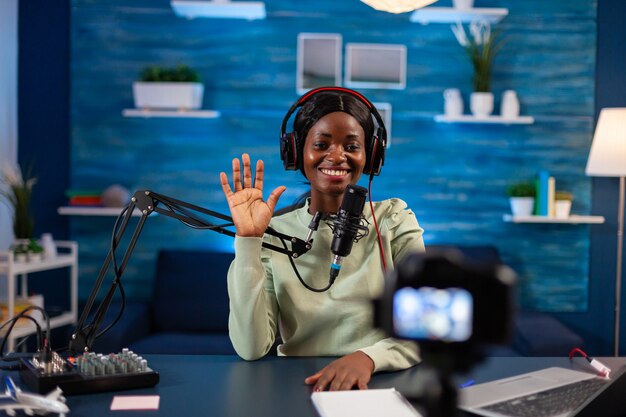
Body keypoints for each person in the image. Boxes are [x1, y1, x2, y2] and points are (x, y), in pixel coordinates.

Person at [220, 87, 425, 392]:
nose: (337, 156)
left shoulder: (394, 220)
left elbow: (424, 326)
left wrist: (367, 358)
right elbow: (251, 348)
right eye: (321, 144)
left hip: (382, 381)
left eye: (352, 146)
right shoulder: (273, 231)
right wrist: (249, 240)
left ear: (371, 155)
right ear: (296, 152)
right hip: (298, 385)